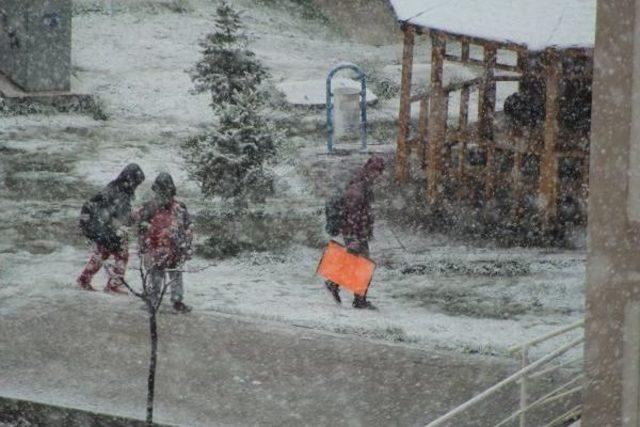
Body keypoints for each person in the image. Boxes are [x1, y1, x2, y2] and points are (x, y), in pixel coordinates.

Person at [325, 156, 385, 309]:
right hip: (355, 233)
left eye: (379, 172)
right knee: (364, 266)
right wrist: (354, 237)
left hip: (357, 232)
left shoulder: (363, 183)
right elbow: (352, 213)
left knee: (355, 263)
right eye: (376, 171)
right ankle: (358, 299)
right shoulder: (358, 187)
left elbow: (360, 211)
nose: (377, 175)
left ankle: (335, 285)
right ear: (369, 170)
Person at [77, 163, 145, 293]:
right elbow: (118, 215)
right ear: (131, 180)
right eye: (136, 183)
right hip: (109, 231)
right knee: (121, 257)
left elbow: (117, 214)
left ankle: (85, 279)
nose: (136, 186)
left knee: (101, 255)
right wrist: (132, 218)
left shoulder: (114, 188)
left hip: (105, 230)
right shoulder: (118, 193)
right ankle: (112, 285)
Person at [137, 173, 193, 313]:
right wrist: (144, 245)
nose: (164, 195)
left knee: (174, 275)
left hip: (175, 248)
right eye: (161, 191)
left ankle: (176, 301)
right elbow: (142, 227)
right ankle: (154, 300)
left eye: (166, 191)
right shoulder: (150, 207)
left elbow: (188, 227)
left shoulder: (179, 208)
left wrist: (187, 246)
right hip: (156, 248)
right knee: (157, 275)